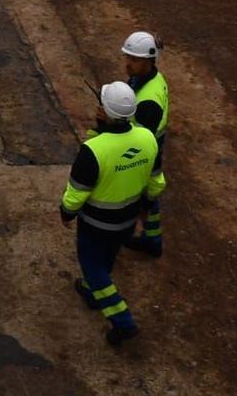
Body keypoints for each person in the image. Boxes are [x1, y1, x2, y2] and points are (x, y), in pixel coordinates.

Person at [61, 82, 164, 347]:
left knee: (93, 265)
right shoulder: (147, 138)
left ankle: (122, 320)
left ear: (103, 112)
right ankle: (90, 290)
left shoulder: (94, 149)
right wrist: (146, 206)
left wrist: (66, 212)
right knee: (108, 256)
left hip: (96, 224)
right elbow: (156, 182)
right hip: (128, 221)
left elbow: (77, 194)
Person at [120, 31, 170, 257]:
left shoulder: (148, 101)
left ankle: (139, 236)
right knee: (150, 197)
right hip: (152, 147)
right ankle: (153, 238)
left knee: (142, 197)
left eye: (134, 59)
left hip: (146, 153)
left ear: (150, 61)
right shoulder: (149, 78)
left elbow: (140, 141)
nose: (128, 63)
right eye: (127, 57)